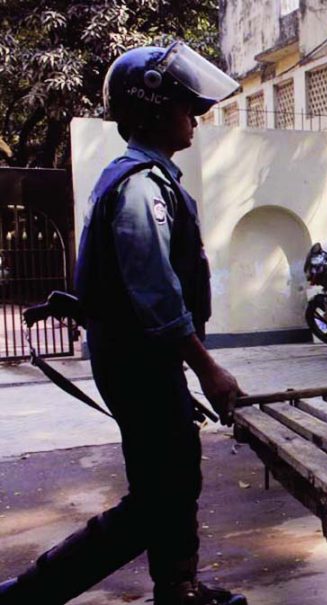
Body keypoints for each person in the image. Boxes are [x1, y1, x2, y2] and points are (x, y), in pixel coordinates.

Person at [0, 42, 247, 605]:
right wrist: (207, 369)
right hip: (141, 364)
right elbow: (154, 289)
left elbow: (125, 281)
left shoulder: (140, 177)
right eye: (187, 107)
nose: (196, 117)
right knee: (157, 497)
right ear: (155, 112)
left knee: (176, 477)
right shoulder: (141, 186)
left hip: (142, 361)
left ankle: (178, 586)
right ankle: (29, 595)